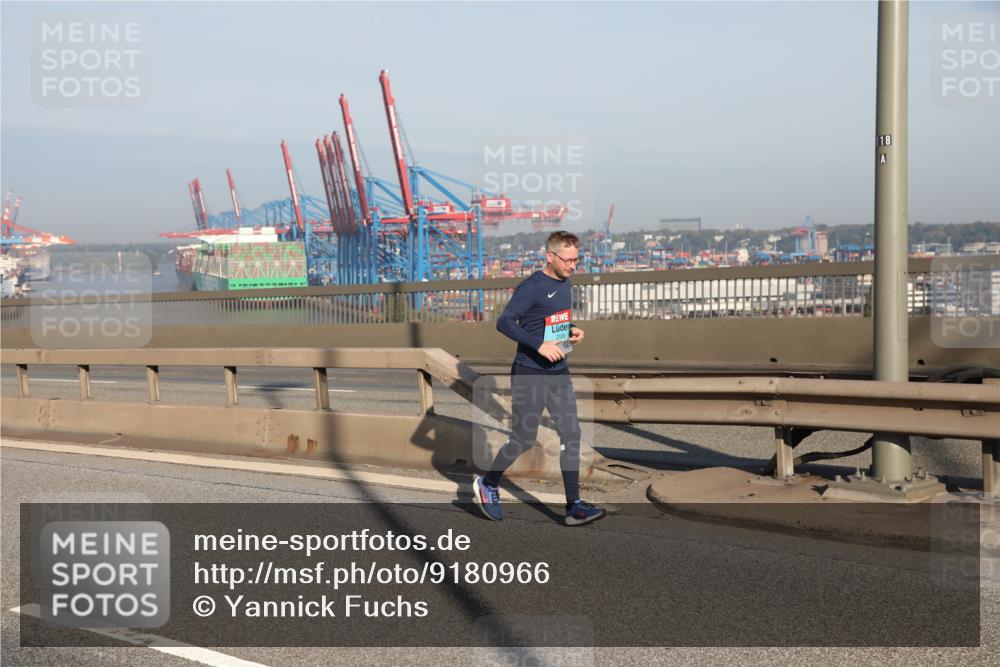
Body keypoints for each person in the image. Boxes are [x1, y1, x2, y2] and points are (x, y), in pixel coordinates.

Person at [473, 231, 606, 526]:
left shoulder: (566, 282)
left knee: (572, 436)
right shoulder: (532, 286)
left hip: (559, 373)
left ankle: (573, 507)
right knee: (523, 439)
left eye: (576, 259)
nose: (573, 265)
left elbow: (549, 318)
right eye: (568, 260)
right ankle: (489, 483)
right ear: (550, 256)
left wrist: (571, 329)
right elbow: (505, 322)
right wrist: (539, 346)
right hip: (530, 373)